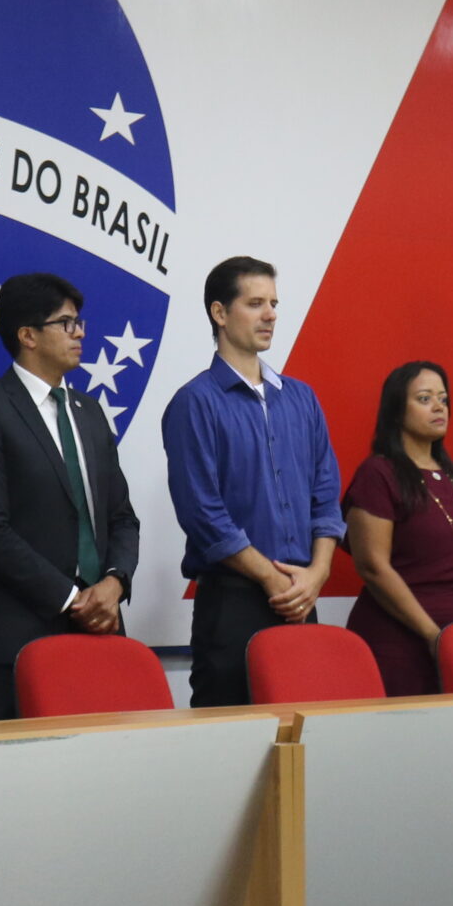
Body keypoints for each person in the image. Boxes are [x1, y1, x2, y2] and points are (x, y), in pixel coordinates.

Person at [0, 272, 139, 721]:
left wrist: (114, 584)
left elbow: (121, 517)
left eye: (80, 323)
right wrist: (73, 600)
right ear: (28, 336)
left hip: (100, 630)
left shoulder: (90, 413)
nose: (80, 333)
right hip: (17, 635)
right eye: (66, 323)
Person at [162, 256, 342, 707]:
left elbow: (325, 497)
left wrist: (317, 574)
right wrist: (270, 578)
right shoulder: (195, 403)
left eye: (274, 304)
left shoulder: (301, 398)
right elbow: (203, 514)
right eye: (255, 303)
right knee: (228, 736)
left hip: (300, 597)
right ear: (220, 313)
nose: (270, 315)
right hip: (234, 601)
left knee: (301, 732)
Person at [342, 361, 453, 696]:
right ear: (396, 411)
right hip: (397, 644)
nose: (439, 407)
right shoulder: (378, 474)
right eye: (425, 399)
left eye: (443, 399)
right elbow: (373, 567)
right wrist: (433, 636)